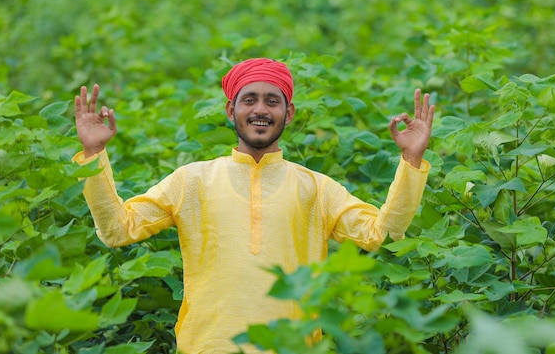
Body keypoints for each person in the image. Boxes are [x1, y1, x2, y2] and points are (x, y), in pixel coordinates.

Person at [73, 58, 435, 354]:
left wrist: (412, 161)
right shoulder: (191, 180)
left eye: (272, 101)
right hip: (208, 346)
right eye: (249, 100)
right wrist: (93, 155)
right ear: (231, 110)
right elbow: (117, 230)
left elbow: (382, 235)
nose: (260, 110)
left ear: (288, 113)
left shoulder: (317, 189)